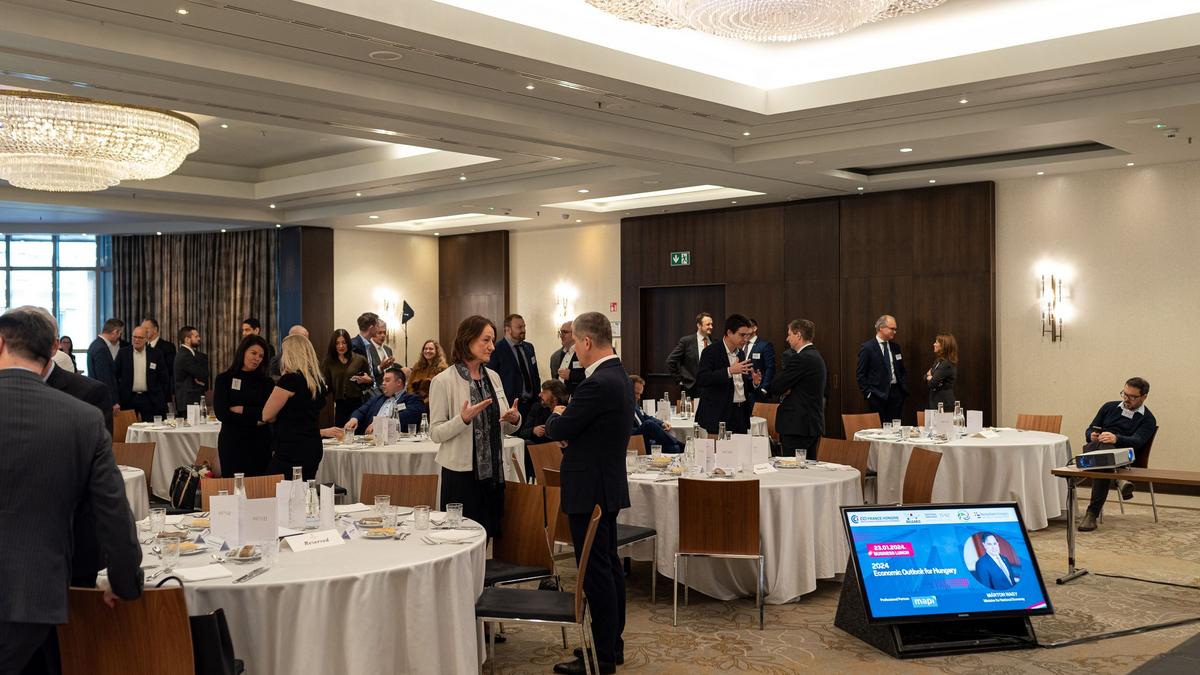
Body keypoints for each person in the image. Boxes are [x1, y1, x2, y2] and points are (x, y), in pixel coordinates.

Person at [0, 306, 142, 674]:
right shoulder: (82, 418)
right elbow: (112, 509)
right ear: (51, 350)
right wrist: (124, 581)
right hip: (35, 596)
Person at [545, 312, 632, 675]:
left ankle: (603, 657)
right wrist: (572, 427)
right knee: (608, 566)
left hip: (590, 486)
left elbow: (559, 428)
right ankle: (611, 646)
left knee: (596, 573)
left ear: (586, 341)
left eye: (577, 344)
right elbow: (589, 429)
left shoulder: (597, 383)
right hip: (606, 482)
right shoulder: (619, 375)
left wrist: (557, 415)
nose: (576, 352)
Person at [429, 315, 522, 538]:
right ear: (467, 340)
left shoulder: (494, 377)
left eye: (493, 341)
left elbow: (506, 428)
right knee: (461, 538)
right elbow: (435, 433)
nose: (492, 347)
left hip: (493, 475)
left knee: (490, 535)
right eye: (486, 340)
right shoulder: (443, 381)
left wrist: (514, 419)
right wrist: (462, 419)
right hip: (461, 476)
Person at [1077, 377, 1158, 532]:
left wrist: (1116, 438)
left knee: (1103, 462)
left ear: (1144, 397)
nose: (1127, 399)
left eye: (1132, 397)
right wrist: (1091, 435)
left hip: (1124, 458)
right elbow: (1090, 429)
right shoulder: (1109, 407)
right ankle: (1117, 479)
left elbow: (1138, 441)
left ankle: (1092, 513)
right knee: (1103, 450)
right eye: (1125, 394)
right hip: (1095, 449)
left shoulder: (1148, 419)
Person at [263, 334, 332, 480]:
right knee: (305, 488)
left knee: (275, 488)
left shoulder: (289, 381)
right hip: (312, 446)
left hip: (290, 447)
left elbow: (266, 415)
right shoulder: (317, 382)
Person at [758, 319, 826, 459]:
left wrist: (784, 387)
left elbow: (777, 385)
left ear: (798, 335)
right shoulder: (815, 355)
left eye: (789, 334)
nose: (787, 338)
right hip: (808, 424)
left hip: (798, 426)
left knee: (793, 469)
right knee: (808, 467)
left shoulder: (802, 358)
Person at [213, 334, 274, 476]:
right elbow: (222, 414)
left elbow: (269, 414)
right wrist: (255, 421)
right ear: (243, 352)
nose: (257, 358)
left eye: (261, 356)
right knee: (233, 485)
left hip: (260, 443)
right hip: (232, 442)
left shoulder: (266, 382)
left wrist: (243, 409)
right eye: (253, 353)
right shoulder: (224, 379)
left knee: (260, 486)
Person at [694, 313, 755, 435]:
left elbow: (739, 385)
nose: (745, 339)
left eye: (747, 335)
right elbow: (702, 379)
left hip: (740, 412)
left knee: (741, 447)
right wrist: (729, 371)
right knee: (718, 447)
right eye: (742, 335)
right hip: (719, 413)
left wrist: (754, 382)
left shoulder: (741, 353)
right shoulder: (711, 351)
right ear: (729, 333)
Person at [344, 366, 427, 434]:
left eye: (387, 380)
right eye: (383, 380)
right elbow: (361, 411)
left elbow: (407, 416)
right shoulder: (377, 399)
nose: (383, 383)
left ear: (399, 382)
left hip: (397, 441)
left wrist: (380, 424)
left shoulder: (413, 400)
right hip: (371, 440)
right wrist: (354, 419)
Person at [856, 314, 907, 423]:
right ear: (881, 328)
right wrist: (868, 394)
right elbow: (861, 374)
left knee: (895, 428)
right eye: (892, 328)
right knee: (878, 428)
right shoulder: (867, 348)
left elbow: (901, 369)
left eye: (895, 329)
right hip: (876, 395)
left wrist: (902, 389)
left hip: (896, 395)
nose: (894, 332)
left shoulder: (896, 347)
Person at [114, 324, 171, 421]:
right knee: (129, 427)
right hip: (128, 398)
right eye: (134, 337)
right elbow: (115, 376)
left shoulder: (155, 354)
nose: (137, 340)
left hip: (150, 398)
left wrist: (160, 394)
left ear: (146, 339)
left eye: (140, 337)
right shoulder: (123, 353)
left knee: (151, 427)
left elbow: (163, 377)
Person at [489, 313, 541, 418]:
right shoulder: (497, 350)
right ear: (508, 329)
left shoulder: (529, 347)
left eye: (524, 326)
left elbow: (535, 375)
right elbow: (492, 381)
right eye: (519, 327)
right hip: (510, 406)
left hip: (532, 405)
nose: (523, 330)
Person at [321, 328, 372, 428]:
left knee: (358, 434)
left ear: (348, 343)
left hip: (358, 405)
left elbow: (370, 382)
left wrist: (368, 380)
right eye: (337, 343)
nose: (341, 346)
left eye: (344, 343)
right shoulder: (328, 362)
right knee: (341, 434)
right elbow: (327, 386)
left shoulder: (360, 359)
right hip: (340, 406)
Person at [629, 375, 683, 454]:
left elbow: (646, 417)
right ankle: (682, 445)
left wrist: (662, 423)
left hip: (646, 439)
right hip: (633, 440)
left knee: (674, 448)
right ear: (628, 389)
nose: (639, 397)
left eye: (640, 394)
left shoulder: (635, 404)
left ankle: (679, 445)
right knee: (649, 424)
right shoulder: (622, 406)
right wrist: (643, 429)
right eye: (636, 393)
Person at [666, 312, 714, 399]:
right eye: (708, 324)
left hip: (711, 388)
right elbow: (670, 361)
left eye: (711, 324)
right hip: (692, 388)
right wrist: (679, 380)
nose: (711, 327)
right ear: (699, 325)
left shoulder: (714, 343)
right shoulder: (687, 342)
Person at [86, 318, 124, 411]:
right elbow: (104, 378)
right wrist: (113, 402)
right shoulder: (101, 348)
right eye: (120, 333)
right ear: (115, 332)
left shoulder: (95, 344)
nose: (119, 337)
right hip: (103, 399)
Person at [174, 325, 209, 410]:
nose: (199, 338)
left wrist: (201, 381)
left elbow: (204, 377)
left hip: (193, 400)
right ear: (187, 339)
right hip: (188, 401)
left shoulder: (191, 354)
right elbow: (202, 374)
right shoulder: (185, 356)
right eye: (196, 336)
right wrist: (201, 379)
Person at [745, 318, 777, 402]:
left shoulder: (765, 345)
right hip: (742, 392)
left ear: (754, 328)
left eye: (746, 327)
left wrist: (764, 388)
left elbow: (770, 368)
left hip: (758, 392)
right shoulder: (740, 345)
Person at [408, 339, 448, 404]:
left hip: (434, 402)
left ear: (437, 351)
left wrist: (425, 402)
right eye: (425, 349)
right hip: (415, 401)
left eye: (431, 349)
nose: (427, 351)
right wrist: (414, 399)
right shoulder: (417, 366)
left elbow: (441, 390)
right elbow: (409, 385)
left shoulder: (442, 368)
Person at [550, 321, 585, 395]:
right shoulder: (556, 356)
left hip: (578, 396)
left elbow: (592, 376)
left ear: (575, 333)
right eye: (560, 332)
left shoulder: (584, 352)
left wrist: (571, 375)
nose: (561, 336)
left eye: (565, 332)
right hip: (561, 398)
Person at [925, 334, 958, 410]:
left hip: (944, 403)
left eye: (936, 342)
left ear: (943, 346)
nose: (934, 344)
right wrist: (929, 377)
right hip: (936, 401)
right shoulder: (938, 361)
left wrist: (931, 378)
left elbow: (932, 383)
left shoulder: (946, 364)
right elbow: (925, 376)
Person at [368, 320, 396, 386]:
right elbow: (367, 374)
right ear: (373, 333)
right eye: (379, 333)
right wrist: (380, 368)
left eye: (384, 332)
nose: (383, 335)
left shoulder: (388, 350)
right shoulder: (367, 348)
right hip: (376, 387)